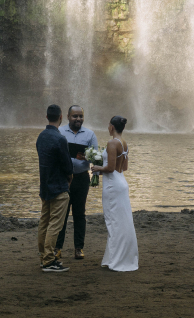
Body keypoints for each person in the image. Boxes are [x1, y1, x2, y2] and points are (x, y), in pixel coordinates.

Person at [89, 115, 138, 271]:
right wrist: (103, 170)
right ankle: (122, 257)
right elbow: (123, 168)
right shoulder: (124, 143)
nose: (107, 127)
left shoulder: (111, 143)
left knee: (113, 222)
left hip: (112, 186)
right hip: (121, 182)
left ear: (112, 127)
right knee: (122, 221)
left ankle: (117, 260)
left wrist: (97, 168)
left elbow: (110, 168)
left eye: (108, 124)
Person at [55, 104, 98, 261]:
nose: (78, 118)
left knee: (80, 214)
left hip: (81, 178)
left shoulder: (90, 134)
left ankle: (78, 248)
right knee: (61, 214)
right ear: (67, 117)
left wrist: (88, 158)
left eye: (80, 116)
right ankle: (57, 248)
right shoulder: (59, 132)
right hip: (63, 179)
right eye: (75, 116)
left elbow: (97, 158)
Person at [35, 104, 73, 272]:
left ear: (46, 117)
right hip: (58, 187)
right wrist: (69, 180)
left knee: (44, 222)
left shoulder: (41, 137)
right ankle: (49, 261)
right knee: (55, 225)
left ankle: (43, 256)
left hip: (45, 187)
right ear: (61, 117)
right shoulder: (60, 139)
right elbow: (68, 167)